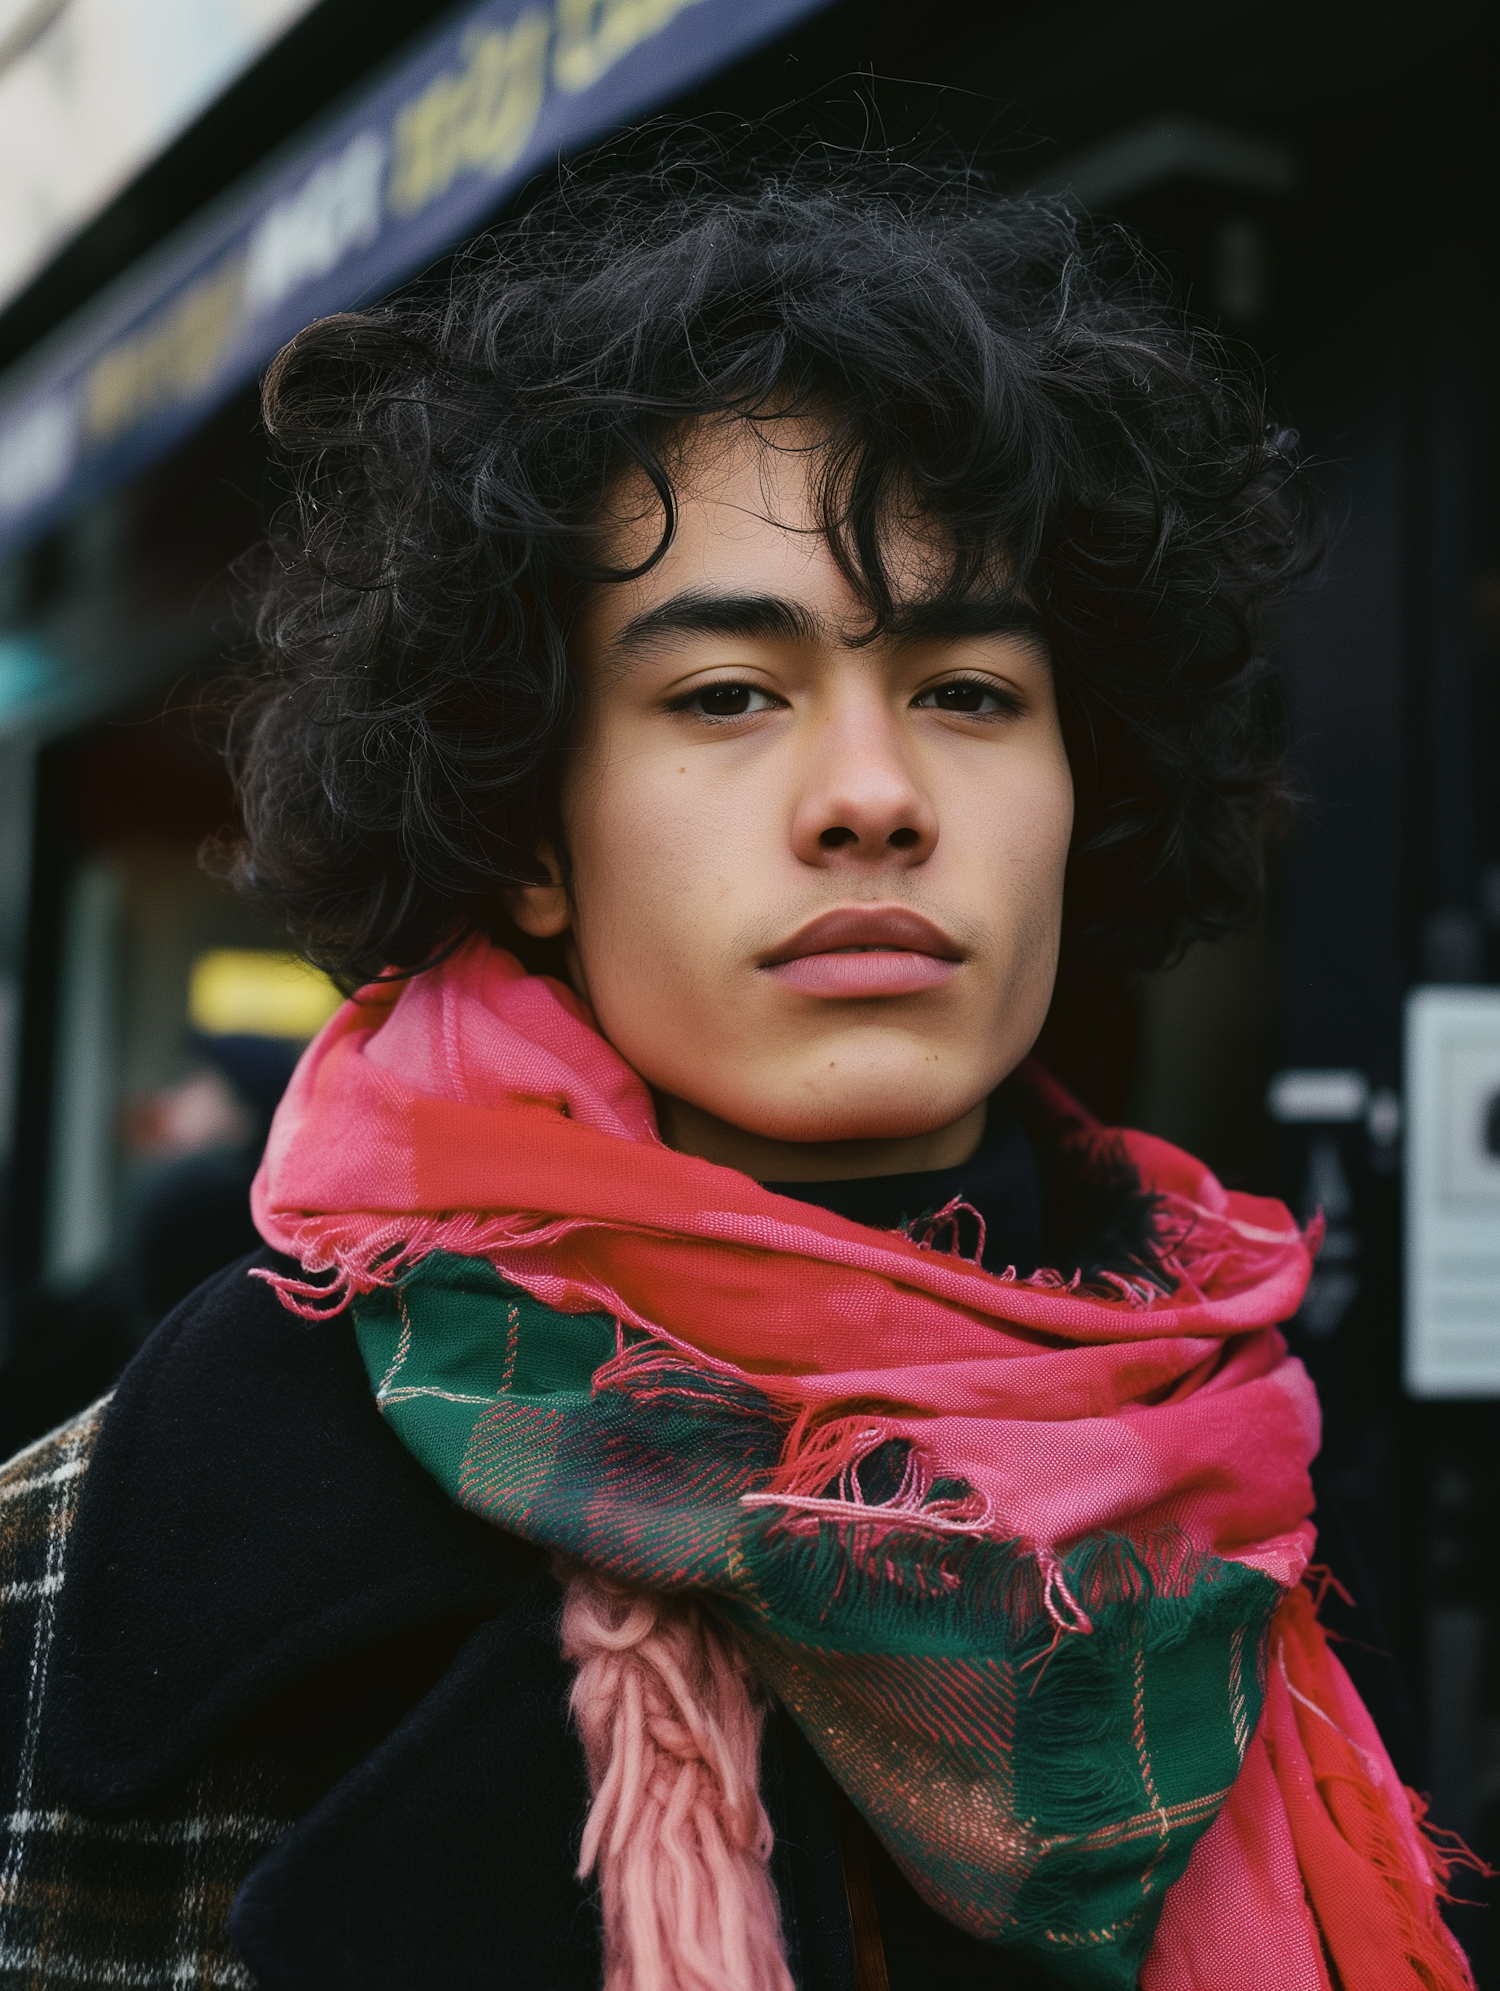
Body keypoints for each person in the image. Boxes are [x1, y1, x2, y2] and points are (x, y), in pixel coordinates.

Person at [0, 142, 1475, 1991]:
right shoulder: (104, 1554)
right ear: (528, 835)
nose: (872, 793)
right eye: (725, 695)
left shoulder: (1248, 1504)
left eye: (968, 691)